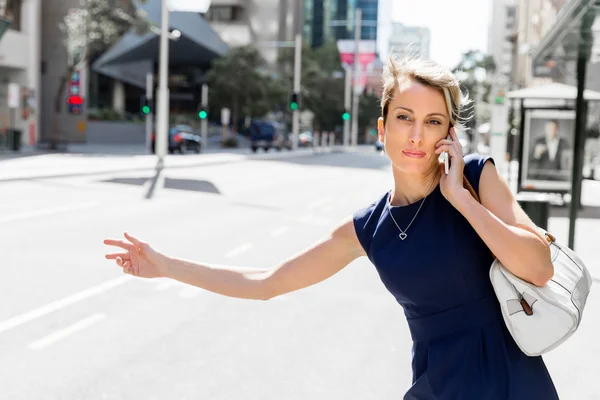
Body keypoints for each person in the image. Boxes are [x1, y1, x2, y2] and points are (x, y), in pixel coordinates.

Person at [104, 56, 558, 399]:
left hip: (513, 382)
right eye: (404, 118)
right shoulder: (367, 229)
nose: (416, 135)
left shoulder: (477, 178)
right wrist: (165, 265)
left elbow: (538, 267)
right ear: (383, 128)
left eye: (432, 121)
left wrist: (460, 199)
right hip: (437, 387)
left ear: (449, 134)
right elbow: (267, 282)